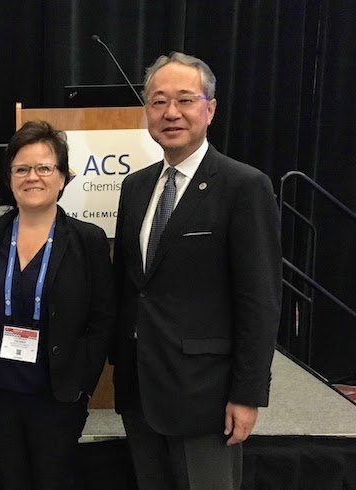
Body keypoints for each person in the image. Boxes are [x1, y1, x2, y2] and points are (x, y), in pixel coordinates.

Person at [112, 52, 282, 489]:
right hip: (141, 389)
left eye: (185, 100)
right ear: (146, 110)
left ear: (210, 109)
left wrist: (247, 395)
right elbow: (131, 288)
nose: (171, 113)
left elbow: (259, 301)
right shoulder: (134, 187)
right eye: (158, 101)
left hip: (206, 397)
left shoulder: (244, 187)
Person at [0, 120, 115, 489]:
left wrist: (82, 386)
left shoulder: (87, 240)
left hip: (57, 397)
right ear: (10, 177)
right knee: (8, 480)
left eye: (44, 167)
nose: (33, 177)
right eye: (22, 168)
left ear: (62, 178)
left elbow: (103, 318)